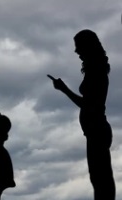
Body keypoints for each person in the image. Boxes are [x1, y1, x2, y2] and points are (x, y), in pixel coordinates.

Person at [47, 29, 115, 200]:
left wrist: (64, 90)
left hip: (97, 131)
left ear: (87, 47)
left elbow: (89, 105)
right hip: (94, 132)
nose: (76, 51)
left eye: (78, 47)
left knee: (101, 181)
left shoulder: (97, 72)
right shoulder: (95, 71)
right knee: (99, 179)